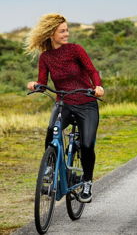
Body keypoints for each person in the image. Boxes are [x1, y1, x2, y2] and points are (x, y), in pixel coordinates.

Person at [26, 13, 104, 203]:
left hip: (86, 103)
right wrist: (36, 85)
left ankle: (87, 182)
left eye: (67, 30)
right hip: (64, 103)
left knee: (86, 145)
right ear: (51, 33)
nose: (66, 33)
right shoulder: (45, 57)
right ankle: (49, 169)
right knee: (52, 130)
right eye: (62, 31)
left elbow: (92, 70)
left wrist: (98, 86)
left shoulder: (75, 50)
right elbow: (43, 81)